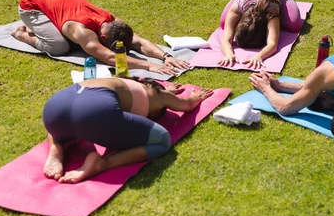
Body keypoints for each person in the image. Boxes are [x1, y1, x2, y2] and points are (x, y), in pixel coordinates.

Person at [42, 77, 214, 183]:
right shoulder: (159, 95)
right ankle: (103, 163)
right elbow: (187, 105)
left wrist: (165, 91)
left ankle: (56, 148)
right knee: (163, 139)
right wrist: (195, 96)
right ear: (155, 113)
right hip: (93, 113)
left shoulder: (120, 80)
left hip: (54, 109)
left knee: (73, 123)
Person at [11, 0, 189, 75]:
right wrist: (149, 65)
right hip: (32, 6)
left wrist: (166, 57)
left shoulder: (112, 21)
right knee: (60, 47)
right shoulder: (83, 32)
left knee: (68, 42)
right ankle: (22, 33)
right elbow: (110, 58)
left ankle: (41, 27)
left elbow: (138, 41)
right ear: (102, 37)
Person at [218, 0, 304, 69]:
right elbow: (226, 40)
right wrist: (229, 54)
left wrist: (259, 56)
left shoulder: (271, 10)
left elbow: (272, 44)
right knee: (224, 23)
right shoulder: (236, 9)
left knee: (294, 24)